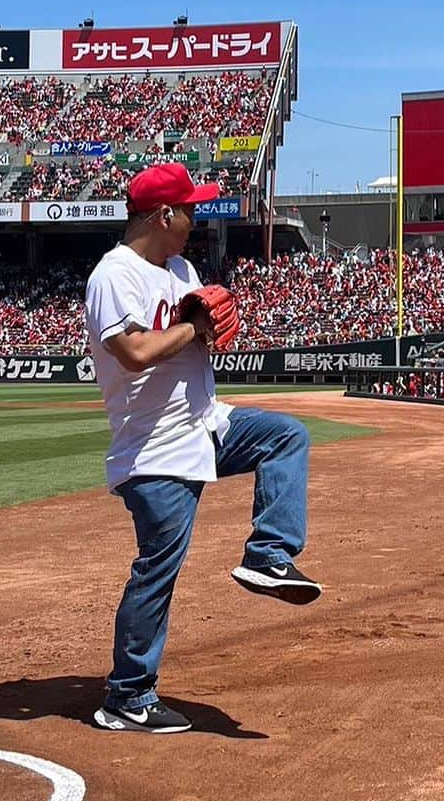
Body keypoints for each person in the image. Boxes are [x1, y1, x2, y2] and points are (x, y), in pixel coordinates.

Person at [85, 163, 321, 735]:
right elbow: (137, 353)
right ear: (163, 215)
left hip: (204, 426)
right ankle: (127, 696)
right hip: (153, 450)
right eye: (189, 209)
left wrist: (210, 329)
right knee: (158, 569)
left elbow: (198, 339)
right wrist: (194, 327)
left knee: (286, 435)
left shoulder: (181, 268)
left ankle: (268, 555)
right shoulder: (113, 276)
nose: (196, 218)